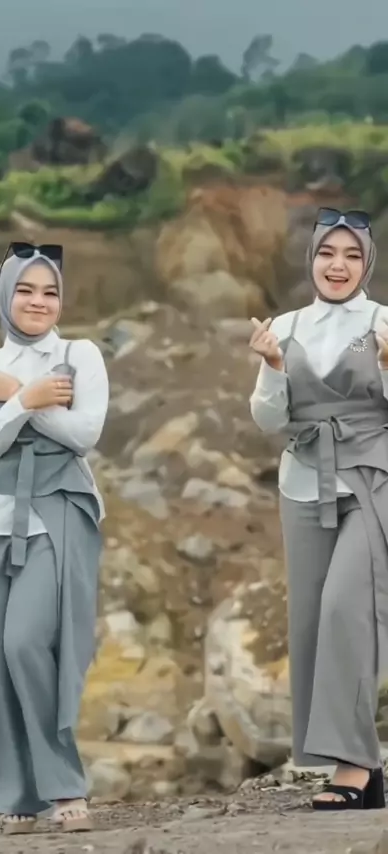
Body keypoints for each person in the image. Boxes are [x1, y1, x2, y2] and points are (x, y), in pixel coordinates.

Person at [0, 242, 109, 834]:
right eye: (25, 289)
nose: (38, 301)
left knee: (26, 643)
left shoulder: (79, 355)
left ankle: (64, 784)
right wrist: (28, 397)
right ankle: (18, 793)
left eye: (50, 292)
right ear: (4, 295)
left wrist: (19, 399)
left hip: (58, 511)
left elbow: (84, 434)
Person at [249, 208, 388, 811]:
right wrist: (273, 367)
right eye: (328, 252)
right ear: (311, 259)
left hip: (373, 479)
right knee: (310, 620)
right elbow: (268, 420)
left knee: (345, 610)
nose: (338, 265)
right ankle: (362, 767)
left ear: (367, 263)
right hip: (303, 482)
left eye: (352, 255)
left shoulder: (384, 322)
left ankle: (353, 767)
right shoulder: (284, 327)